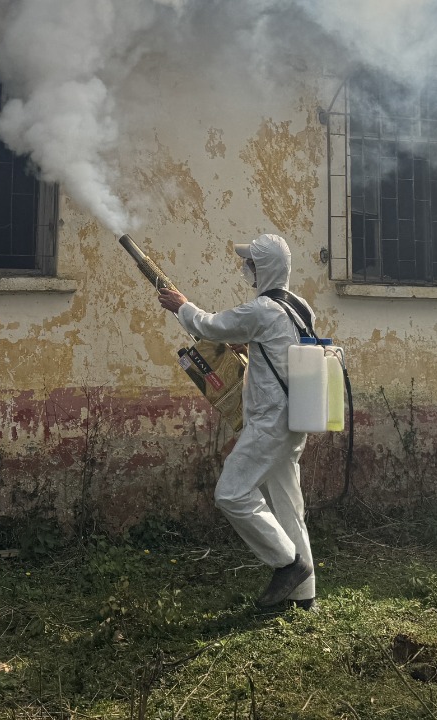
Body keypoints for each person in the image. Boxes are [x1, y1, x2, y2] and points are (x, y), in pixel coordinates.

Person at [157, 233, 316, 610]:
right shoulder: (299, 307)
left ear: (264, 269)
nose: (247, 269)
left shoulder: (262, 309)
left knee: (231, 493)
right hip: (296, 419)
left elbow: (210, 326)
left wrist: (182, 306)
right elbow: (283, 349)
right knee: (288, 506)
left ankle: (288, 563)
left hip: (269, 422)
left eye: (251, 264)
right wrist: (252, 346)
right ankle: (303, 599)